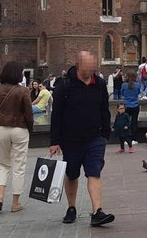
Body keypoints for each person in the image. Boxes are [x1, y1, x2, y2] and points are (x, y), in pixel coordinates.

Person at [49, 51, 115, 227]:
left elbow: (104, 109)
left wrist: (105, 133)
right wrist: (54, 141)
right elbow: (57, 115)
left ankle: (97, 211)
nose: (90, 70)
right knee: (72, 174)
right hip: (71, 139)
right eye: (87, 66)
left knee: (94, 172)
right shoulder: (64, 85)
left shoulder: (99, 83)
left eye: (92, 66)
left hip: (95, 137)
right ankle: (71, 208)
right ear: (78, 65)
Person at [0, 61, 34, 213]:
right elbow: (28, 112)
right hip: (19, 129)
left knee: (3, 165)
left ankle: (0, 197)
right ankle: (15, 203)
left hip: (1, 128)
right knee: (19, 167)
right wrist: (30, 127)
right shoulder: (23, 91)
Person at [119, 71, 145, 150]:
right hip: (135, 105)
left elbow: (122, 94)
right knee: (134, 122)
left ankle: (126, 139)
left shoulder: (123, 85)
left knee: (126, 122)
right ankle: (134, 139)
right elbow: (138, 93)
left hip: (126, 106)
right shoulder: (137, 85)